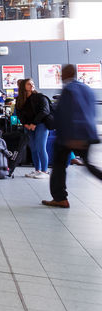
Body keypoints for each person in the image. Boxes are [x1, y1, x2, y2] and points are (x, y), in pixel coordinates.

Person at [44, 64, 99, 208]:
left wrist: (71, 137)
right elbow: (91, 111)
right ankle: (60, 197)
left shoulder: (69, 90)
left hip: (70, 135)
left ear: (66, 74)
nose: (60, 76)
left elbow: (68, 113)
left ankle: (60, 197)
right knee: (88, 165)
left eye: (61, 73)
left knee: (58, 166)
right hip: (87, 133)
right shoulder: (86, 88)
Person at [15, 78, 52, 179]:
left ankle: (44, 171)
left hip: (41, 124)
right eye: (28, 84)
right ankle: (37, 170)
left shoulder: (40, 97)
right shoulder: (19, 99)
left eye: (32, 84)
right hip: (28, 126)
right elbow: (19, 113)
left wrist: (34, 123)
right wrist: (26, 124)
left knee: (40, 147)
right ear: (23, 86)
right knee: (33, 148)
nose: (31, 85)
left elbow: (45, 111)